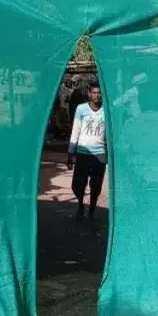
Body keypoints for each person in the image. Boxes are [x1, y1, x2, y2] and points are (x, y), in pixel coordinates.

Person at [67, 85, 106, 221]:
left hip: (100, 154)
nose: (97, 95)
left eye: (99, 93)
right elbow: (75, 130)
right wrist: (70, 153)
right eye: (94, 93)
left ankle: (92, 209)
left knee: (96, 185)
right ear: (89, 94)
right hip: (82, 153)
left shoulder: (106, 110)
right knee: (78, 185)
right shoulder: (81, 109)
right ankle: (80, 205)